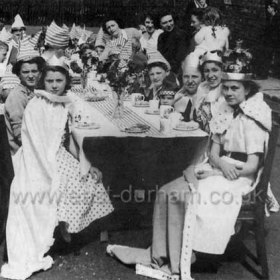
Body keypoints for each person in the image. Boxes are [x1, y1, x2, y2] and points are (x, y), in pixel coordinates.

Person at [106, 51, 272, 280]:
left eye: (235, 89)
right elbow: (213, 152)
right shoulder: (224, 112)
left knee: (181, 196)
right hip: (220, 167)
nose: (229, 93)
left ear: (247, 90)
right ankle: (161, 253)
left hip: (239, 177)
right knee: (166, 191)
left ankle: (180, 258)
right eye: (226, 88)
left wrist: (224, 169)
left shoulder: (252, 120)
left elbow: (253, 166)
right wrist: (220, 164)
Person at [1, 56, 114, 280]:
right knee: (51, 187)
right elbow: (33, 141)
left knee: (87, 178)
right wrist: (48, 169)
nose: (54, 85)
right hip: (37, 159)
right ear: (44, 82)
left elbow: (67, 140)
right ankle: (58, 224)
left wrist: (85, 162)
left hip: (56, 154)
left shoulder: (65, 104)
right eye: (50, 80)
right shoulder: (36, 104)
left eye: (59, 80)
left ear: (66, 82)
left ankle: (66, 224)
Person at [4, 50, 45, 155]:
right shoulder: (17, 96)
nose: (31, 76)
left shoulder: (32, 91)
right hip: (22, 152)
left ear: (40, 73)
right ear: (18, 75)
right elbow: (20, 134)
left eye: (34, 71)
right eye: (25, 72)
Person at [195, 49, 224, 133]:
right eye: (206, 71)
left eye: (215, 70)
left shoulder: (226, 90)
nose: (210, 75)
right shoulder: (202, 87)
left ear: (222, 71)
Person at [173, 52, 202, 122]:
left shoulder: (207, 99)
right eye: (186, 76)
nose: (190, 81)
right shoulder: (177, 96)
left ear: (202, 78)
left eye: (194, 77)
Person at [262, 2, 280, 78]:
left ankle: (277, 74)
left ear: (273, 8)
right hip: (270, 40)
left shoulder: (278, 17)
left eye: (269, 7)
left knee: (277, 57)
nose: (267, 9)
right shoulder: (270, 17)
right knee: (267, 55)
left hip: (276, 41)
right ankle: (265, 73)